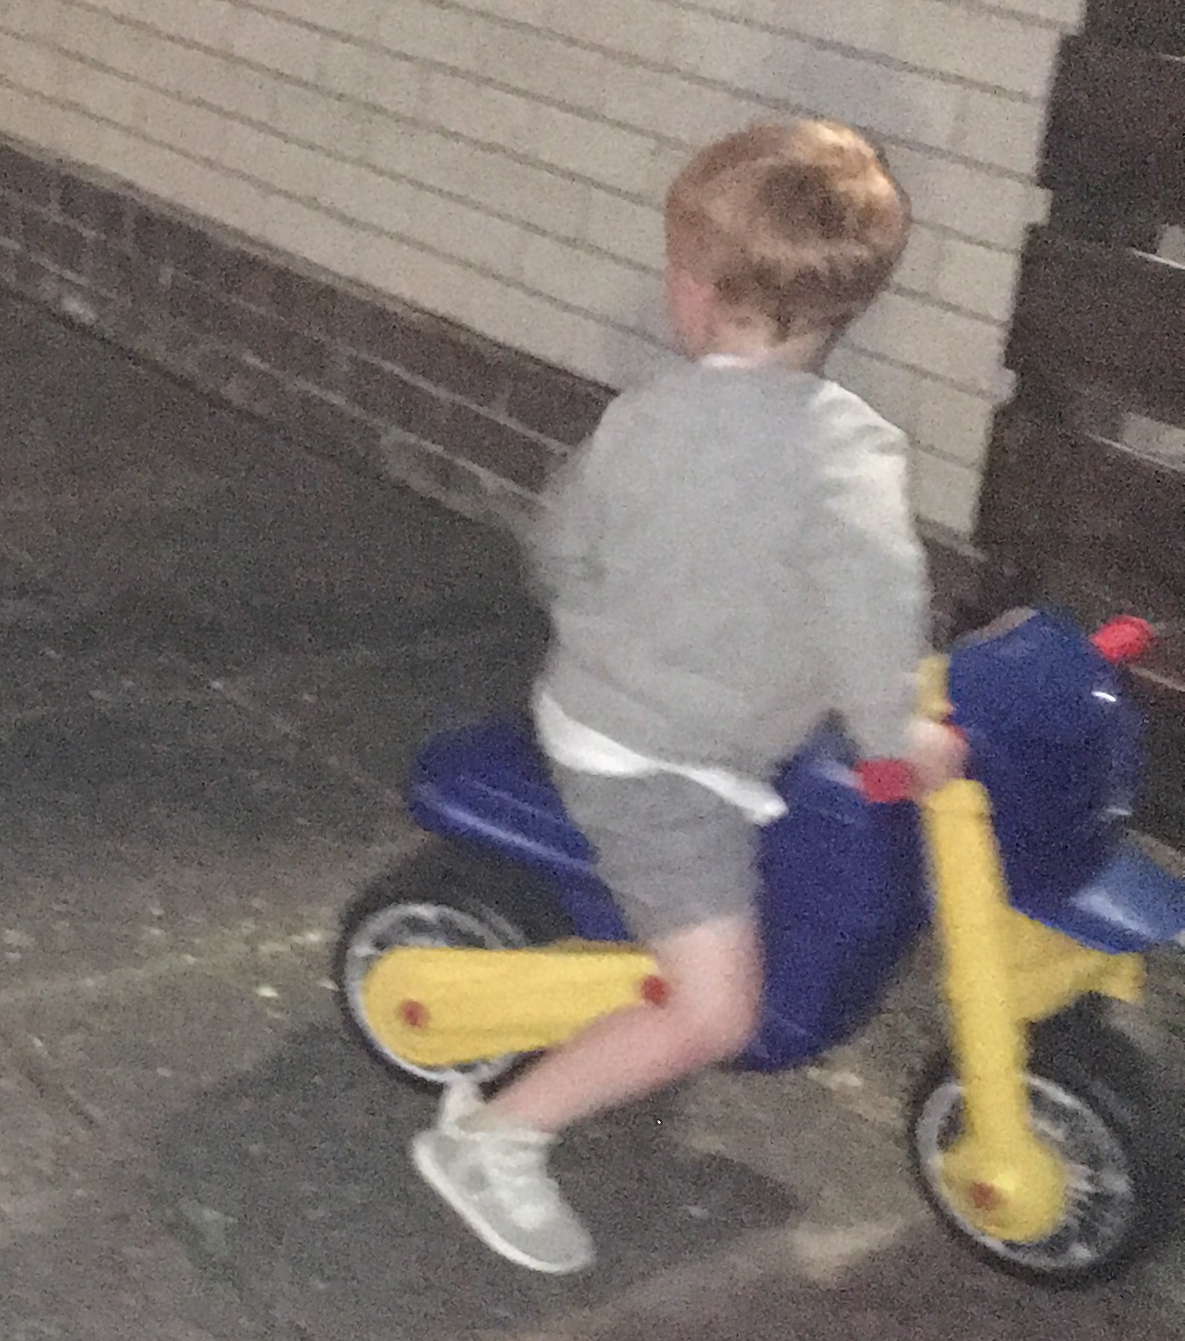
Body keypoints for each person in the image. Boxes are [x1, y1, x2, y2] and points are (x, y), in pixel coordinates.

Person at [413, 118, 965, 1276]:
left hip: (606, 712)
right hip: (660, 767)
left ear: (701, 294)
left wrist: (621, 624)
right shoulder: (848, 456)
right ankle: (491, 1138)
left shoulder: (644, 418)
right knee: (718, 1015)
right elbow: (877, 613)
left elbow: (561, 551)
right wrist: (896, 736)